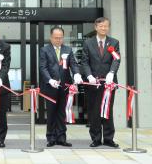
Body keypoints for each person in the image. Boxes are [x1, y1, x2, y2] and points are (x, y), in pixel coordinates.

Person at [39, 26, 83, 147]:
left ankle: (61, 137)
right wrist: (49, 79)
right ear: (51, 37)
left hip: (64, 86)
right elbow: (43, 67)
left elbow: (73, 64)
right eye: (56, 38)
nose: (58, 40)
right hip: (50, 86)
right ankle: (51, 137)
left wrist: (77, 74)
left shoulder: (68, 49)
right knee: (52, 112)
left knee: (62, 112)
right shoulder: (44, 50)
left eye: (60, 38)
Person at [81, 17, 120, 148]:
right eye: (101, 26)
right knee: (94, 111)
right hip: (93, 83)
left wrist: (112, 72)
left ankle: (109, 139)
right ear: (96, 27)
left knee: (108, 110)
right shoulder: (88, 43)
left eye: (106, 26)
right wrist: (89, 76)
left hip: (109, 83)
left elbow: (116, 59)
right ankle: (96, 138)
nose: (104, 28)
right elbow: (85, 62)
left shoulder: (114, 42)